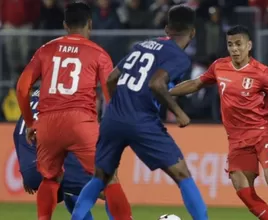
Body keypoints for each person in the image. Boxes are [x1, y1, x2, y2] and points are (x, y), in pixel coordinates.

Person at [169, 25, 268, 220]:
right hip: (236, 139)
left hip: (261, 133)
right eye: (230, 45)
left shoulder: (261, 72)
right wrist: (167, 91)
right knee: (242, 189)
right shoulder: (219, 66)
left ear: (249, 45)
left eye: (239, 44)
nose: (234, 49)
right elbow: (196, 83)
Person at [72, 5, 208, 220]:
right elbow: (157, 84)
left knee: (100, 177)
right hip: (142, 120)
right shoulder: (179, 57)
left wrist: (117, 106)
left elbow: (111, 79)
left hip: (113, 118)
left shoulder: (141, 46)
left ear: (166, 28)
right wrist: (178, 112)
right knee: (182, 174)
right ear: (192, 32)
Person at [15, 3, 131, 220]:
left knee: (50, 179)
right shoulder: (99, 54)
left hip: (48, 123)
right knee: (108, 178)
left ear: (65, 25)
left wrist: (31, 123)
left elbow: (22, 88)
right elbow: (111, 97)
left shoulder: (46, 50)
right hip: (81, 121)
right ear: (90, 24)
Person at [13, 89, 114, 220]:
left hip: (31, 170)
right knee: (108, 188)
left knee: (69, 189)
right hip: (47, 163)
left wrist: (25, 171)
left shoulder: (32, 102)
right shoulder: (61, 99)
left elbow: (16, 134)